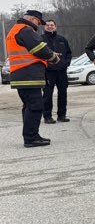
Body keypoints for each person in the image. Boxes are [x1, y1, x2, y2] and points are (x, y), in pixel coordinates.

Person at [6, 10, 61, 147]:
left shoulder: (16, 30)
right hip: (28, 74)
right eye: (38, 22)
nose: (39, 25)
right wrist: (53, 57)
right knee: (35, 106)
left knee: (29, 106)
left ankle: (32, 135)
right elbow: (39, 48)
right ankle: (31, 138)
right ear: (32, 18)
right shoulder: (26, 30)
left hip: (22, 74)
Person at [41, 19, 72, 124]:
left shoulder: (62, 39)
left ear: (55, 26)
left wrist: (66, 63)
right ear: (44, 27)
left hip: (62, 71)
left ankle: (62, 115)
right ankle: (47, 116)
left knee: (63, 93)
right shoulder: (40, 39)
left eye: (52, 25)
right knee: (47, 95)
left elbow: (69, 53)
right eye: (47, 25)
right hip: (48, 72)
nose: (50, 27)